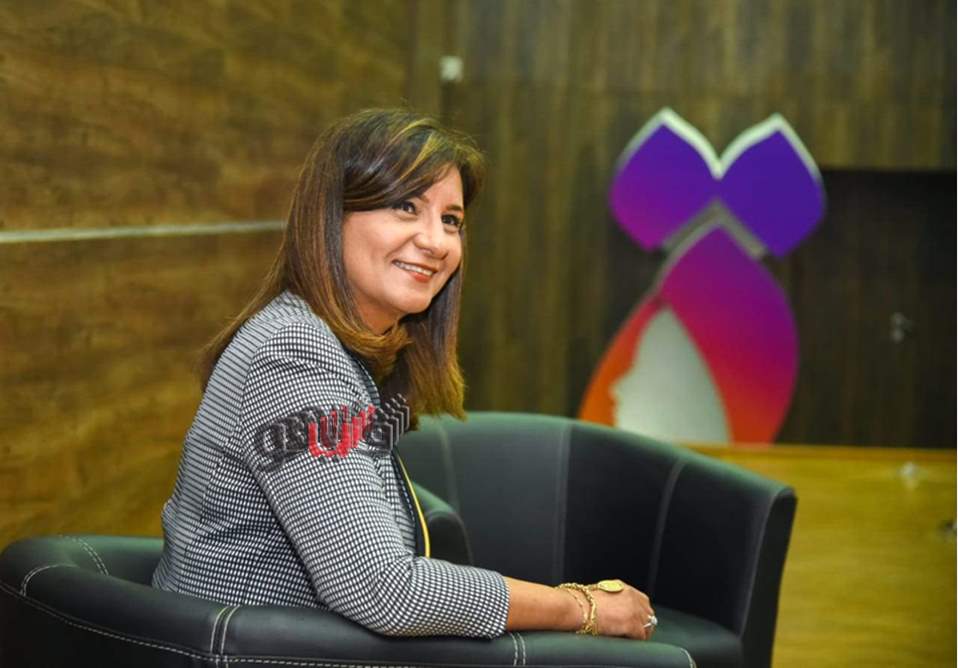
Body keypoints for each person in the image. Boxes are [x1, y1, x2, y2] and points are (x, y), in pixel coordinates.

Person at [151, 108, 656, 640]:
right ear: (331, 217)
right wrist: (582, 607)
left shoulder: (342, 347)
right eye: (406, 207)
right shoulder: (294, 352)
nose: (436, 242)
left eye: (451, 220)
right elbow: (386, 591)